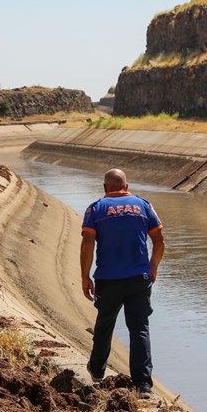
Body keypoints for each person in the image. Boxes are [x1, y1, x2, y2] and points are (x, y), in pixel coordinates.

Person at [81, 168, 165, 396]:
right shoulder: (143, 205)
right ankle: (143, 385)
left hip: (108, 280)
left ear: (105, 188)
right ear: (126, 186)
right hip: (139, 278)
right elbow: (159, 241)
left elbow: (87, 243)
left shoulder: (95, 209)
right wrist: (153, 267)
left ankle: (97, 371)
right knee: (139, 328)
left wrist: (85, 276)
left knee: (104, 324)